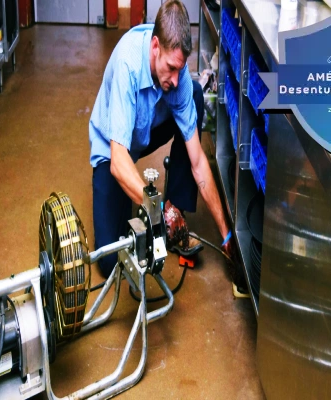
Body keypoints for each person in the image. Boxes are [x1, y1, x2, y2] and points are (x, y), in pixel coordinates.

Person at [89, 0, 239, 288]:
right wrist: (157, 212)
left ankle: (177, 211)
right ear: (155, 46)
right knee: (110, 262)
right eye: (170, 67)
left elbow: (198, 162)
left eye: (179, 70)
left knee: (193, 94)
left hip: (146, 131)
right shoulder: (127, 64)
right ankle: (166, 215)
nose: (173, 78)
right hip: (114, 149)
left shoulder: (177, 77)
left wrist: (227, 235)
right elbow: (120, 161)